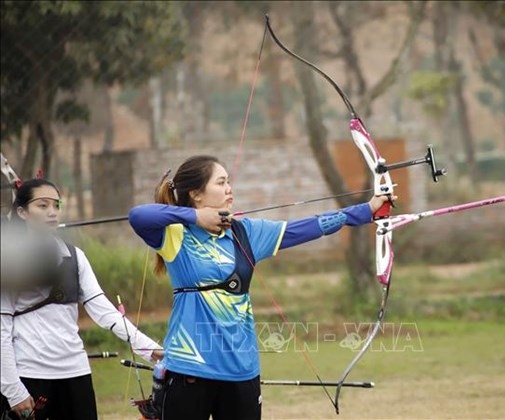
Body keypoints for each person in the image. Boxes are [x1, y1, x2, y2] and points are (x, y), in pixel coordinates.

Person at [128, 155, 392, 419]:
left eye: (229, 181)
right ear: (196, 194)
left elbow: (308, 227)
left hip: (242, 369)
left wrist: (367, 210)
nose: (229, 188)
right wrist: (196, 217)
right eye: (221, 183)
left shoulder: (247, 232)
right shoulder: (176, 235)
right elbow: (138, 216)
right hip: (190, 368)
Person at [0, 178, 163, 420]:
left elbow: (105, 312)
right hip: (31, 374)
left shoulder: (75, 256)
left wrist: (151, 349)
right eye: (42, 206)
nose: (52, 212)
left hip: (75, 372)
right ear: (22, 212)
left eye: (56, 205)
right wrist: (13, 390)